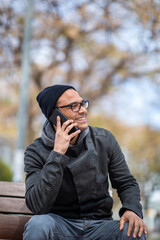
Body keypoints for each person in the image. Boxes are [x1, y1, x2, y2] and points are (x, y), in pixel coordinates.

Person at [23, 84, 147, 240]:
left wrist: (131, 210)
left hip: (100, 226)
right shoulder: (35, 150)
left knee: (133, 229)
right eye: (74, 106)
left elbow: (126, 183)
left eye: (82, 103)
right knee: (38, 224)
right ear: (55, 114)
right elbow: (37, 205)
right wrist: (57, 154)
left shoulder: (104, 139)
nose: (83, 110)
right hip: (60, 225)